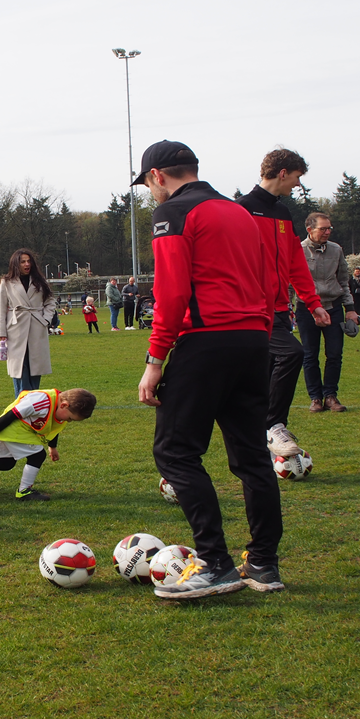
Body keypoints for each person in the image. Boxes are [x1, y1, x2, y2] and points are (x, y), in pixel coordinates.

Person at [133, 139, 284, 600]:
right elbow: (269, 279)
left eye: (148, 185)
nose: (150, 195)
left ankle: (215, 563)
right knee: (252, 456)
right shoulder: (241, 212)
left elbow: (172, 293)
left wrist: (154, 361)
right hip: (254, 340)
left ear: (158, 176)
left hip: (206, 341)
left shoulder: (173, 213)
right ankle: (263, 562)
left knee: (175, 452)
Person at [236, 149, 329, 456]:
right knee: (292, 355)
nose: (298, 185)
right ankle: (273, 426)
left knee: (264, 375)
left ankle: (257, 438)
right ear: (283, 173)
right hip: (250, 311)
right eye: (298, 178)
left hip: (279, 311)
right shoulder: (241, 210)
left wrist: (312, 302)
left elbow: (294, 264)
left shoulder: (283, 213)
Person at [0, 388, 96, 501]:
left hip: (18, 431)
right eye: (70, 418)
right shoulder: (41, 401)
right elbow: (12, 414)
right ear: (64, 405)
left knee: (5, 463)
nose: (68, 421)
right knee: (38, 456)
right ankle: (24, 491)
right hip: (11, 428)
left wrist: (53, 447)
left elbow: (53, 428)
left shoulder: (60, 410)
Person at [299, 212, 358, 413]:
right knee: (309, 355)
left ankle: (330, 396)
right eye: (323, 228)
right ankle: (315, 398)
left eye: (329, 228)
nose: (327, 232)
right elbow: (291, 283)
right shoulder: (297, 251)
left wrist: (350, 309)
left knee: (334, 354)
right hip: (306, 308)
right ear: (309, 230)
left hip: (333, 307)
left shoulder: (336, 250)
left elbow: (343, 281)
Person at [0, 249, 56, 394]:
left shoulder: (40, 281)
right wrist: (1, 331)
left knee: (35, 368)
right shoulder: (7, 282)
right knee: (19, 369)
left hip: (37, 327)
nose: (26, 264)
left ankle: (34, 404)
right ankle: (21, 405)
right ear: (16, 264)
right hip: (16, 329)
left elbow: (50, 301)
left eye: (29, 261)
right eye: (23, 261)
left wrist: (45, 319)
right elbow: (1, 307)